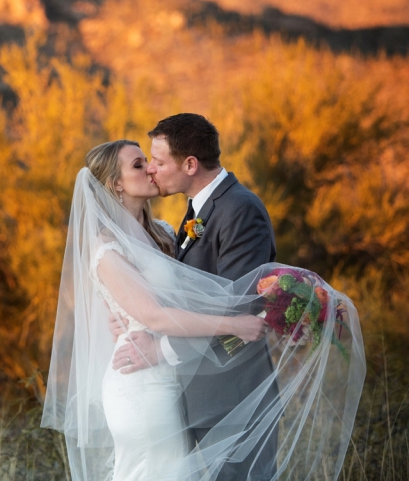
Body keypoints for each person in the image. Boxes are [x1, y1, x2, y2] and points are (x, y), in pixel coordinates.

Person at [41, 130, 365, 480]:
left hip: (177, 380)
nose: (151, 169)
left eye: (152, 161)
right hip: (140, 381)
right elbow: (152, 314)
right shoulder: (107, 249)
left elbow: (194, 291)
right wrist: (232, 324)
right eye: (140, 164)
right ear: (115, 184)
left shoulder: (164, 233)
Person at [110, 113, 279, 479]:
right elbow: (187, 294)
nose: (152, 170)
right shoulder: (197, 211)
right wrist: (133, 312)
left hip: (235, 392)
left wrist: (161, 348)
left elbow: (241, 310)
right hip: (194, 392)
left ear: (190, 164)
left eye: (158, 161)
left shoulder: (239, 210)